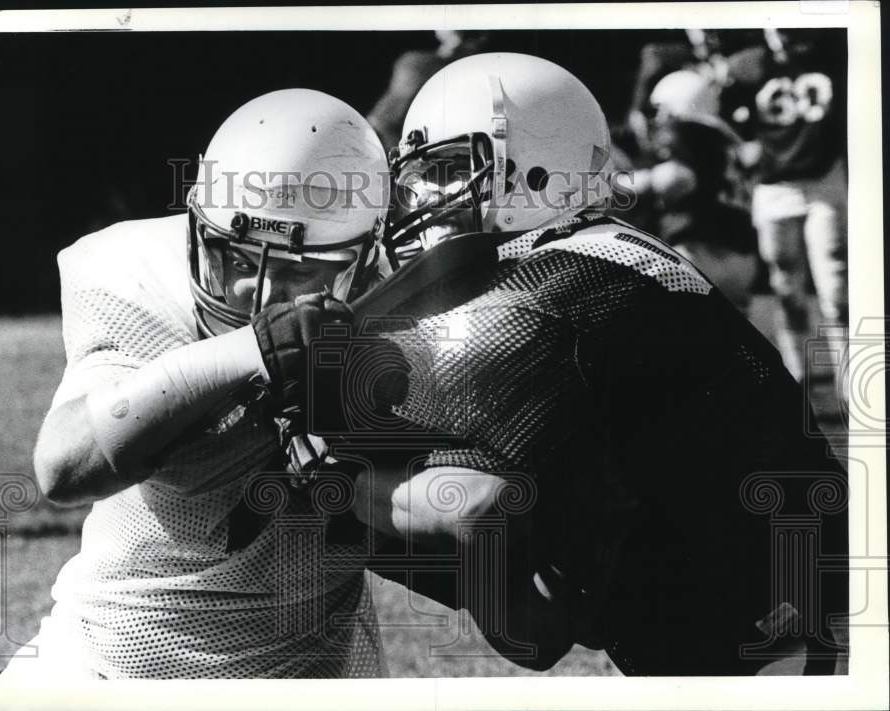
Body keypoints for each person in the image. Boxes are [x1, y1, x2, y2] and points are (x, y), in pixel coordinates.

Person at [303, 53, 847, 675]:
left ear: (536, 170)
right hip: (778, 617)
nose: (424, 195)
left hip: (786, 646)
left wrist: (325, 474)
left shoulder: (550, 292)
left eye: (448, 170)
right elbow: (536, 625)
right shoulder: (601, 254)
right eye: (421, 175)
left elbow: (476, 509)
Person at [0, 89, 391, 679]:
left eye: (299, 268)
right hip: (105, 662)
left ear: (365, 261)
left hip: (304, 676)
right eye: (237, 259)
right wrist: (255, 352)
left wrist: (356, 474)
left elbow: (477, 568)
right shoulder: (140, 278)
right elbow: (65, 467)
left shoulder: (400, 317)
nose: (255, 292)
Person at [720, 29, 848, 383]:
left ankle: (851, 379)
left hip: (823, 178)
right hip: (775, 186)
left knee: (836, 285)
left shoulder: (834, 50)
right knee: (786, 286)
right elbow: (718, 112)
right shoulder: (748, 63)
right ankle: (797, 373)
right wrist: (743, 143)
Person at [614, 68, 759, 311]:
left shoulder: (682, 133)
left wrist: (618, 184)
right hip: (743, 257)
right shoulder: (727, 140)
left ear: (675, 105)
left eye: (659, 109)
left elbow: (675, 178)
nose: (655, 118)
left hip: (698, 250)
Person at [367, 30, 489, 151]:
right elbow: (382, 122)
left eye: (470, 33)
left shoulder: (483, 72)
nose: (458, 40)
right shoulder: (419, 65)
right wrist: (406, 157)